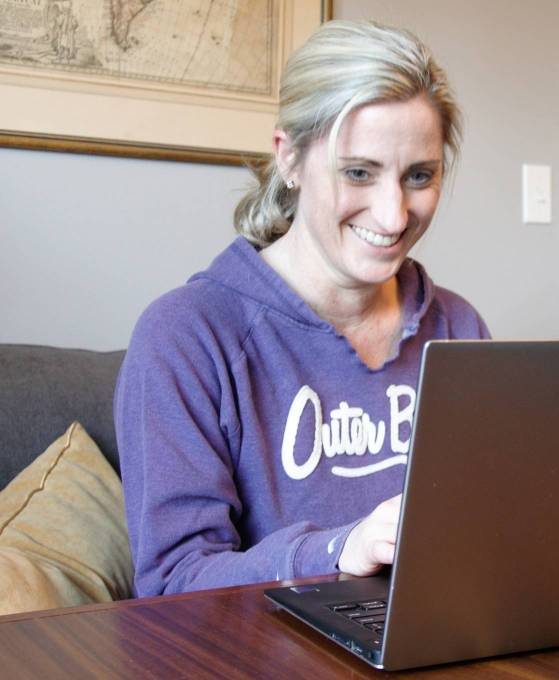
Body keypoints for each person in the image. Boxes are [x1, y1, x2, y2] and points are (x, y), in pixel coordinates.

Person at [115, 21, 490, 597]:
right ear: (289, 159)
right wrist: (343, 548)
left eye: (419, 176)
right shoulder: (186, 337)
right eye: (358, 172)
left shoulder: (457, 326)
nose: (393, 217)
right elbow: (174, 581)